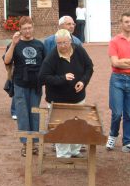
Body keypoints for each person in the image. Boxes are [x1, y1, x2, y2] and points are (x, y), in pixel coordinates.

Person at [39, 29, 94, 158]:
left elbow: (89, 67)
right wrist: (62, 78)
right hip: (58, 100)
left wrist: (83, 81)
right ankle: (63, 154)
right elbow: (42, 78)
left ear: (70, 40)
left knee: (78, 125)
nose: (62, 46)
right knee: (61, 128)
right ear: (55, 43)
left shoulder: (79, 50)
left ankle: (75, 151)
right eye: (59, 43)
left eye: (65, 42)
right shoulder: (52, 57)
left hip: (78, 98)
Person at [3, 16, 44, 157]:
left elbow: (45, 64)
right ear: (20, 29)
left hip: (36, 84)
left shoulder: (39, 44)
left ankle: (35, 144)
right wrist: (13, 44)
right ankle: (26, 144)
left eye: (29, 27)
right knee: (22, 114)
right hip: (20, 83)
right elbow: (7, 60)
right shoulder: (15, 44)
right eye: (24, 28)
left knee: (35, 113)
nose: (27, 30)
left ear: (33, 27)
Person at [106, 13, 130, 154]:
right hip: (117, 79)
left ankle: (127, 142)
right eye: (126, 21)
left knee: (129, 114)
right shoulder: (114, 41)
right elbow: (115, 62)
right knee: (117, 113)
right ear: (121, 23)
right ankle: (113, 134)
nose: (129, 24)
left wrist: (124, 61)